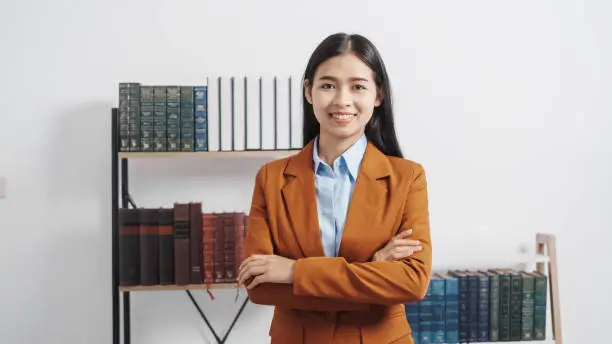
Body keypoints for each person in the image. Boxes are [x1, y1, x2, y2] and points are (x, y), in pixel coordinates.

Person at [238, 32, 432, 344]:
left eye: (357, 86)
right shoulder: (271, 178)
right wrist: (372, 272)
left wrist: (294, 274)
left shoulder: (407, 178)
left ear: (378, 95)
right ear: (308, 91)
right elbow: (259, 285)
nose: (342, 100)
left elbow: (412, 282)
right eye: (328, 85)